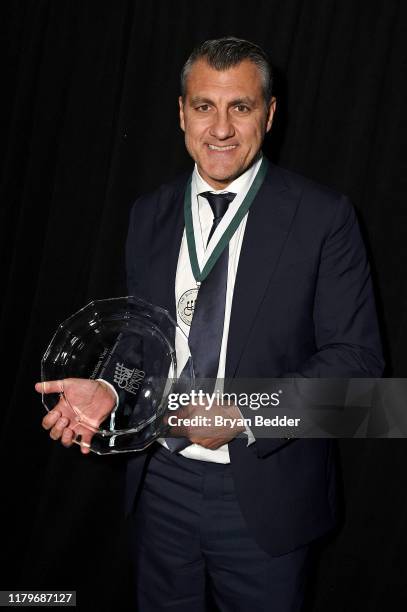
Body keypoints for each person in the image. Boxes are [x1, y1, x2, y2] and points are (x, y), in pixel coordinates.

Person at [37, 37, 384, 611]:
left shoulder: (325, 217)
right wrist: (108, 388)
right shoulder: (149, 212)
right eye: (204, 106)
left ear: (269, 115)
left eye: (240, 107)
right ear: (181, 113)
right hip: (159, 487)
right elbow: (139, 342)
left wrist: (247, 410)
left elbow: (362, 371)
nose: (220, 129)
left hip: (264, 500)